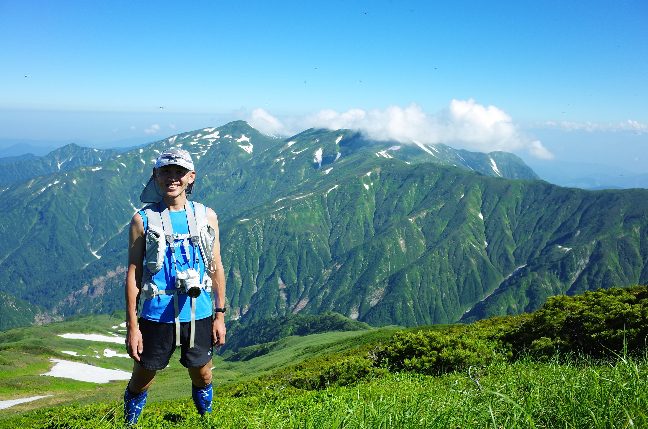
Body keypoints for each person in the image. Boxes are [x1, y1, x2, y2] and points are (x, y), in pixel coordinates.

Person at [123, 147, 226, 425]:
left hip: (200, 312)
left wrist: (220, 315)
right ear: (155, 176)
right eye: (165, 171)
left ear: (191, 177)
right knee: (143, 377)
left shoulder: (207, 216)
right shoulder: (142, 220)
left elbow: (215, 268)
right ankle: (128, 422)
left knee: (203, 373)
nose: (172, 178)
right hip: (157, 314)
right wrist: (133, 326)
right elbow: (134, 273)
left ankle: (206, 420)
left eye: (179, 172)